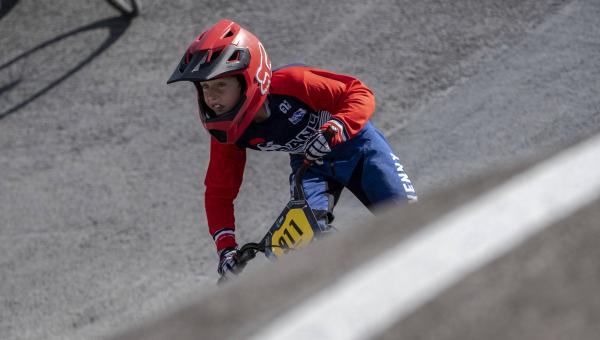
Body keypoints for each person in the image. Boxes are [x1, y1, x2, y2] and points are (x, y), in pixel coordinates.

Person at [167, 19, 418, 279]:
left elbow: (358, 93)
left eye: (220, 85)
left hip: (358, 148)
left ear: (248, 78)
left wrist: (338, 126)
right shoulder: (227, 131)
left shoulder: (293, 83)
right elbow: (219, 192)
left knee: (413, 223)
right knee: (299, 250)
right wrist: (226, 250)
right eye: (205, 88)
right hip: (311, 166)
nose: (211, 99)